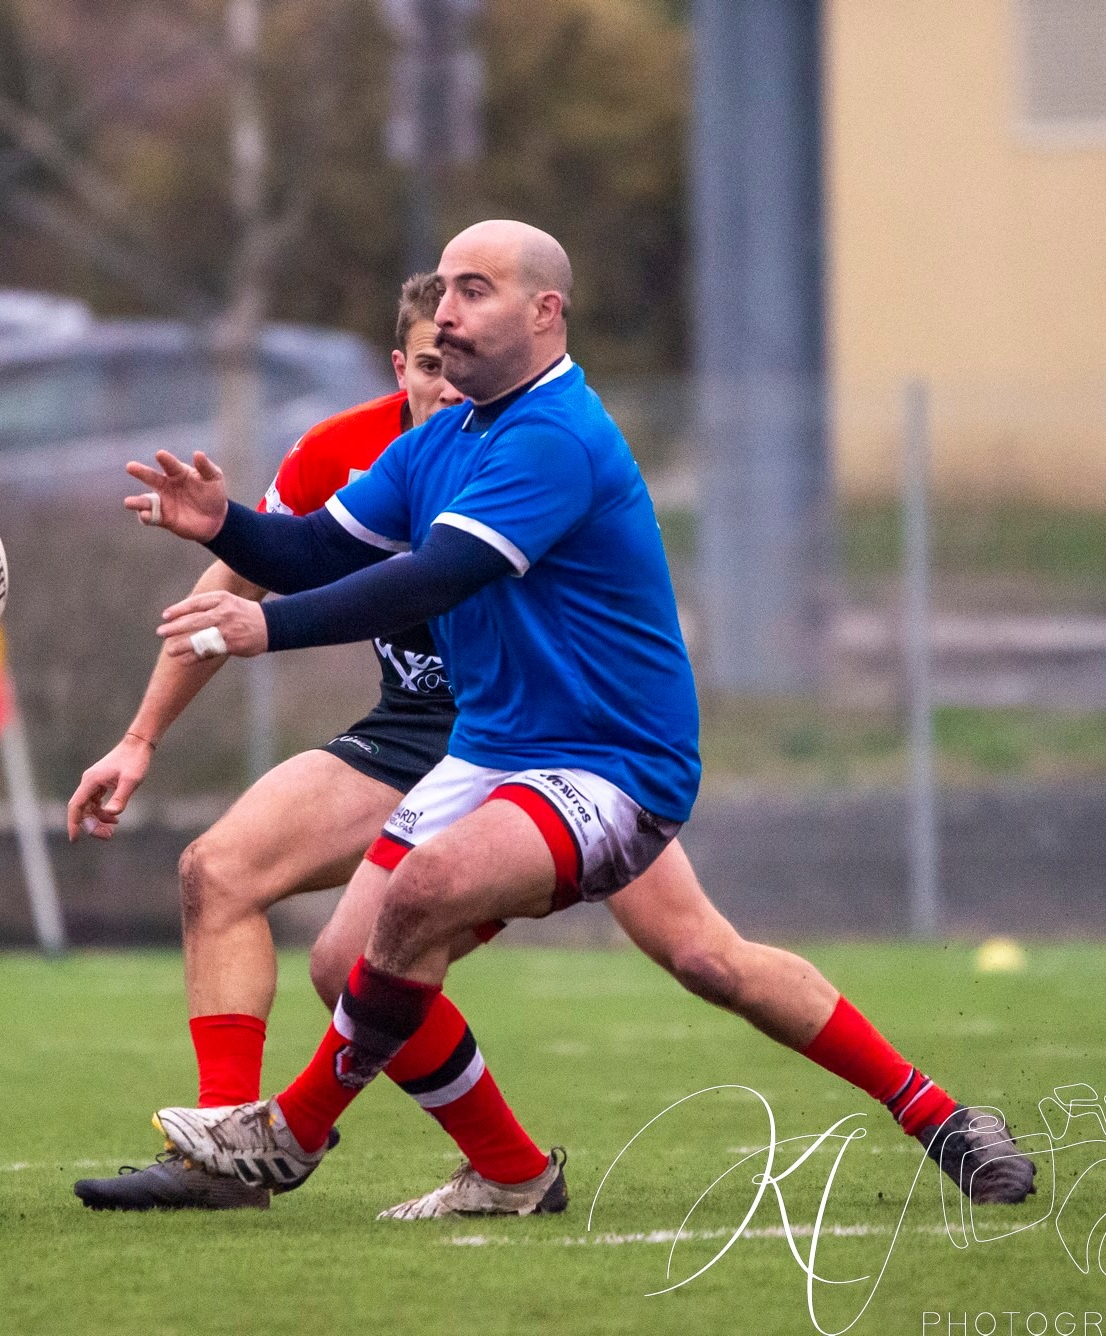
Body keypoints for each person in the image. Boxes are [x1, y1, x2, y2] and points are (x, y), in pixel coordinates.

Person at [124, 219, 1038, 1218]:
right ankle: (508, 1174)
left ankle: (290, 1134)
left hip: (613, 760)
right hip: (493, 749)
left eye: (474, 290)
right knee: (348, 963)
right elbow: (313, 551)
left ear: (545, 311)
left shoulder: (554, 436)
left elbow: (435, 577)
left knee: (473, 901)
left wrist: (266, 628)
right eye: (445, 291)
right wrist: (222, 525)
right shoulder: (440, 442)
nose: (449, 311)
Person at [71, 275, 566, 1215]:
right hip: (409, 731)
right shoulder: (345, 451)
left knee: (707, 957)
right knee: (218, 872)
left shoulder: (539, 447)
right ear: (401, 365)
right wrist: (138, 740)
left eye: (464, 360)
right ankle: (224, 1157)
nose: (449, 383)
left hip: (535, 744)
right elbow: (237, 583)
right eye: (432, 363)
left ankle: (505, 1169)